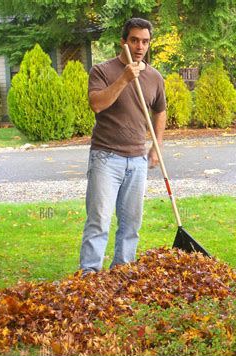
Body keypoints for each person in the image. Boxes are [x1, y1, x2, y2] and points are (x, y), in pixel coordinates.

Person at [79, 18, 166, 274]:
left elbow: (160, 111)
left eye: (145, 41)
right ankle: (90, 276)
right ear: (123, 41)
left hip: (137, 159)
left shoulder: (154, 76)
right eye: (135, 40)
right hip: (106, 158)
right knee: (99, 221)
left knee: (131, 224)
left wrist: (156, 145)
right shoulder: (103, 71)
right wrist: (125, 79)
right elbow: (97, 104)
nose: (140, 46)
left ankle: (122, 272)